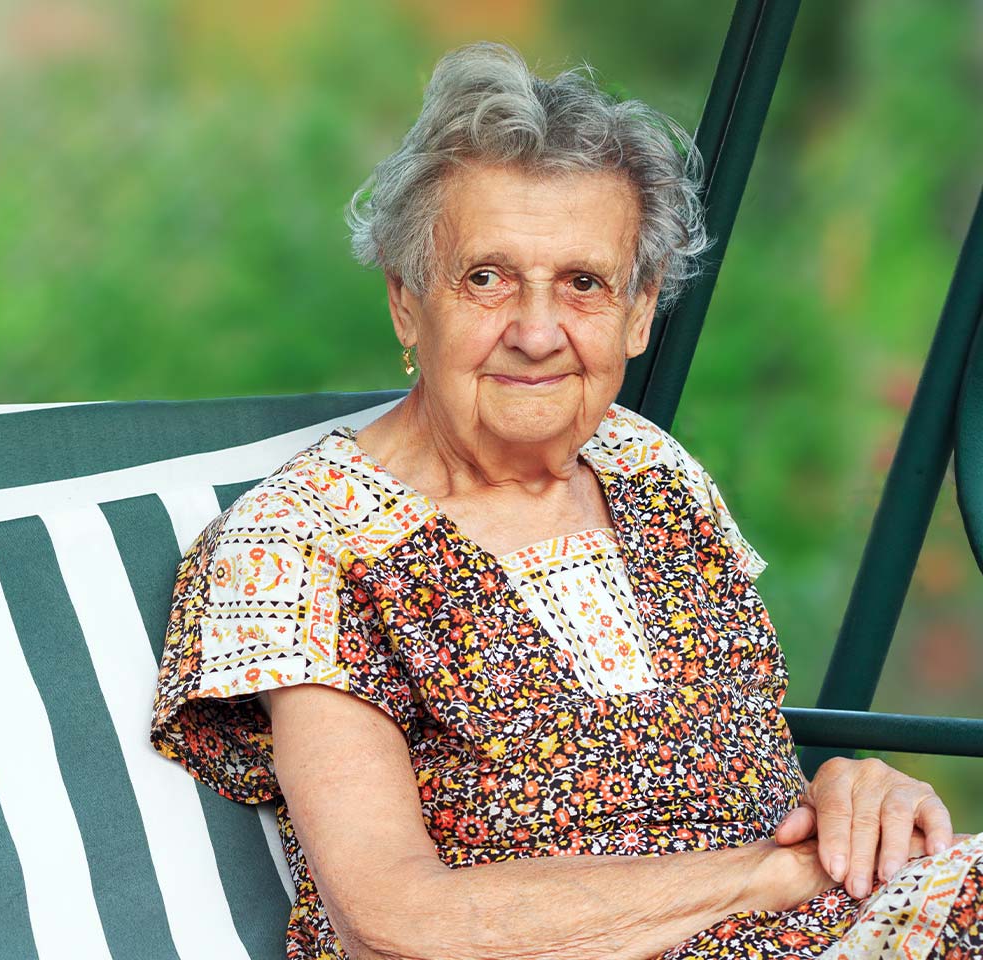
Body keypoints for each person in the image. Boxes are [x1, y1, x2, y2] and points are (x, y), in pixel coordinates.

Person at [149, 39, 981, 960]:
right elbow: (390, 922)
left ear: (638, 310)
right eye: (487, 278)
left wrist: (848, 802)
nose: (537, 332)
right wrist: (769, 877)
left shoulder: (646, 465)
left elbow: (744, 769)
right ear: (405, 301)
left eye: (584, 284)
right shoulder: (305, 540)